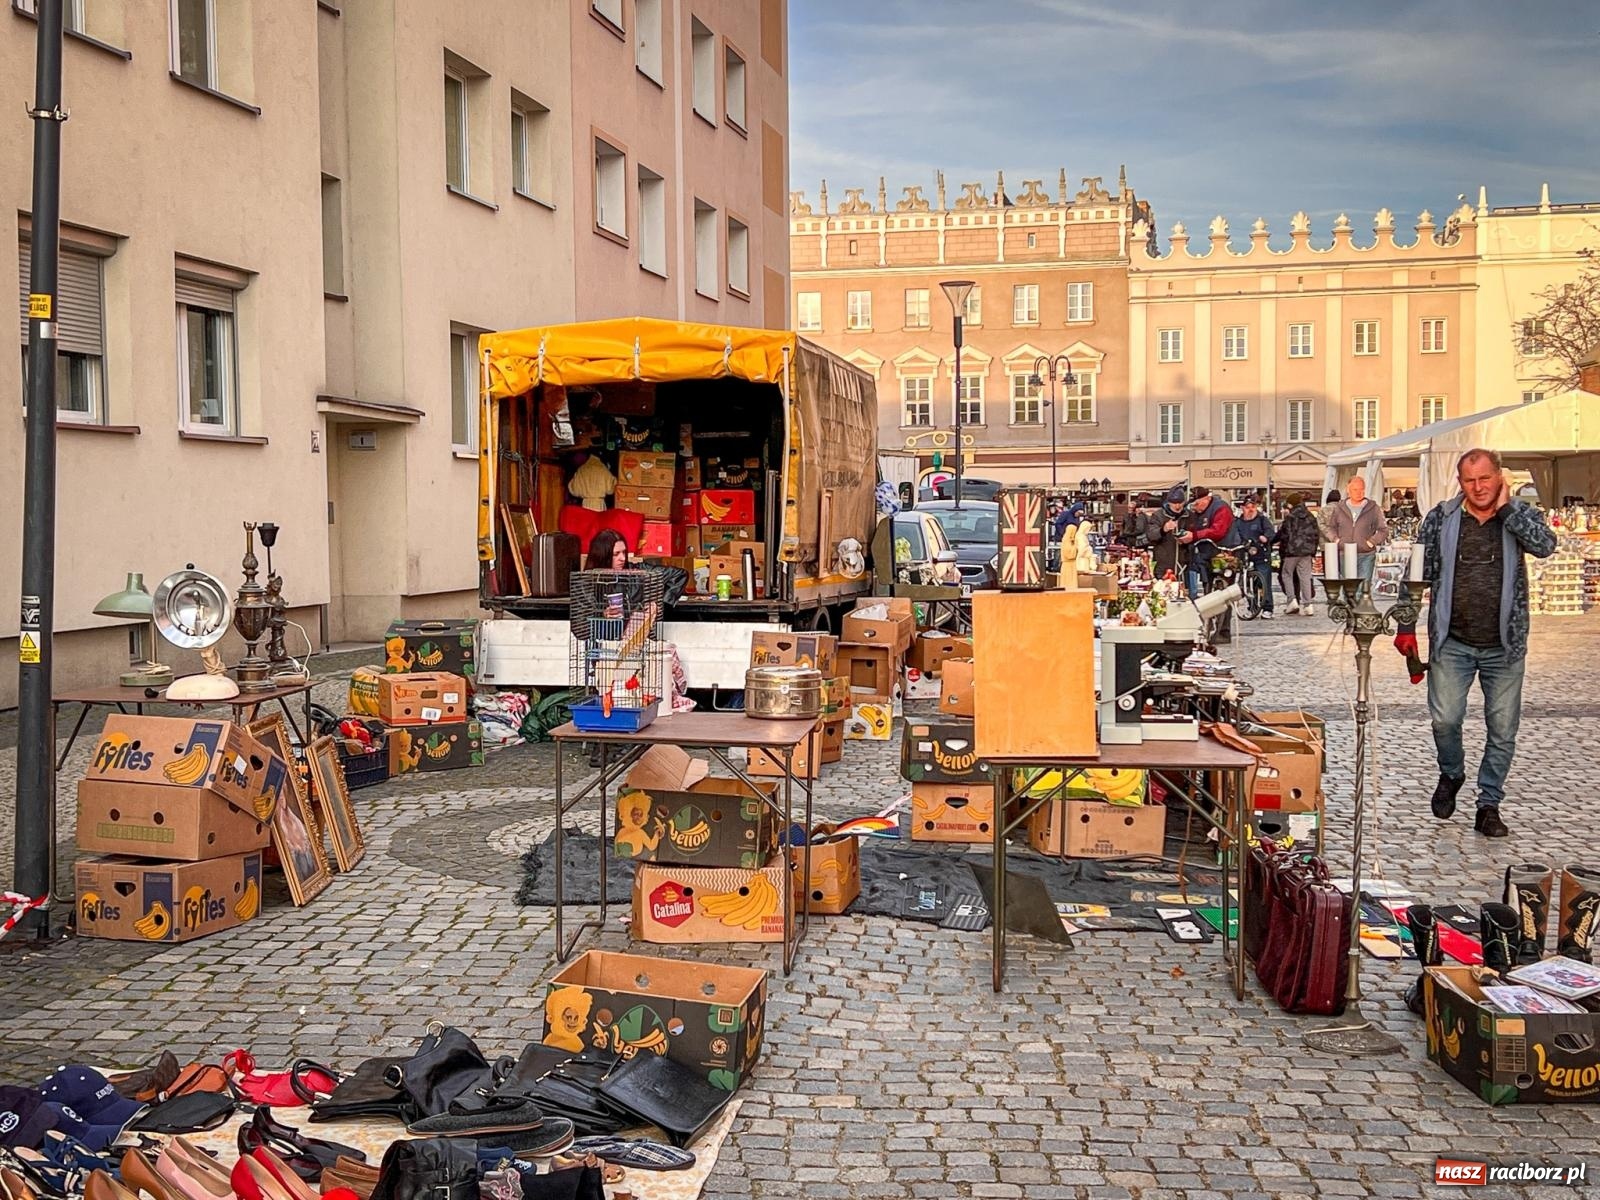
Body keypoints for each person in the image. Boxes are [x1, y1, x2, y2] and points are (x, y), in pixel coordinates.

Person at [1396, 448, 1556, 838]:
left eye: (1485, 478)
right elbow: (1417, 572)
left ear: (1500, 477)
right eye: (1470, 480)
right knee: (1444, 719)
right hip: (1453, 640)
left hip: (1505, 643)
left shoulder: (1519, 515)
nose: (1478, 487)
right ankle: (1452, 772)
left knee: (1502, 729)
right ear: (1460, 482)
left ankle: (1489, 804)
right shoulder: (1442, 518)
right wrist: (1405, 625)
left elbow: (1545, 545)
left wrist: (1507, 512)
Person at [1325, 476, 1388, 586]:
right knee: (1347, 587)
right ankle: (1349, 603)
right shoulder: (1339, 508)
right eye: (1355, 489)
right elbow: (1330, 527)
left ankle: (1358, 603)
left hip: (1366, 554)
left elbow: (1383, 530)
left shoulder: (1373, 508)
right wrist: (1336, 540)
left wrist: (1371, 541)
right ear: (1348, 491)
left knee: (1363, 587)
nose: (1359, 492)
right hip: (1345, 552)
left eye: (1361, 489)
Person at [1179, 486, 1236, 598]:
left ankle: (1225, 611)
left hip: (1224, 551)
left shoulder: (1221, 508)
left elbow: (1218, 531)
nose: (1194, 508)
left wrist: (1194, 536)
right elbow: (1194, 527)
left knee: (1225, 585)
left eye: (1196, 504)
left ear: (1206, 499)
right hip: (1205, 554)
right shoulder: (1198, 512)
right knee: (1207, 583)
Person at [1274, 492, 1321, 615]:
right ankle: (1308, 605)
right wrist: (1313, 551)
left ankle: (1292, 601)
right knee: (1305, 576)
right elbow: (1317, 534)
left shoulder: (1291, 517)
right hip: (1307, 551)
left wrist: (1282, 550)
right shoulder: (1311, 516)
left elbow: (1284, 535)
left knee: (1286, 574)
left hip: (1292, 551)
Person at [1232, 494, 1276, 618]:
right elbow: (1234, 536)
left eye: (1253, 507)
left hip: (1261, 556)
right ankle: (1252, 606)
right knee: (1246, 582)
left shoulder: (1262, 520)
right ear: (1242, 508)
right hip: (1244, 556)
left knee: (1263, 582)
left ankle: (1267, 607)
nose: (1250, 509)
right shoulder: (1237, 522)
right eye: (1248, 507)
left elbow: (1271, 533)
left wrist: (1265, 537)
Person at [1145, 485, 1188, 581]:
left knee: (1186, 593)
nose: (1177, 506)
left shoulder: (1188, 515)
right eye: (1174, 503)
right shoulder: (1158, 515)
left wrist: (1190, 538)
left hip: (1185, 564)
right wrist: (1163, 529)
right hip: (1163, 564)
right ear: (1168, 502)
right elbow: (1151, 535)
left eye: (1180, 503)